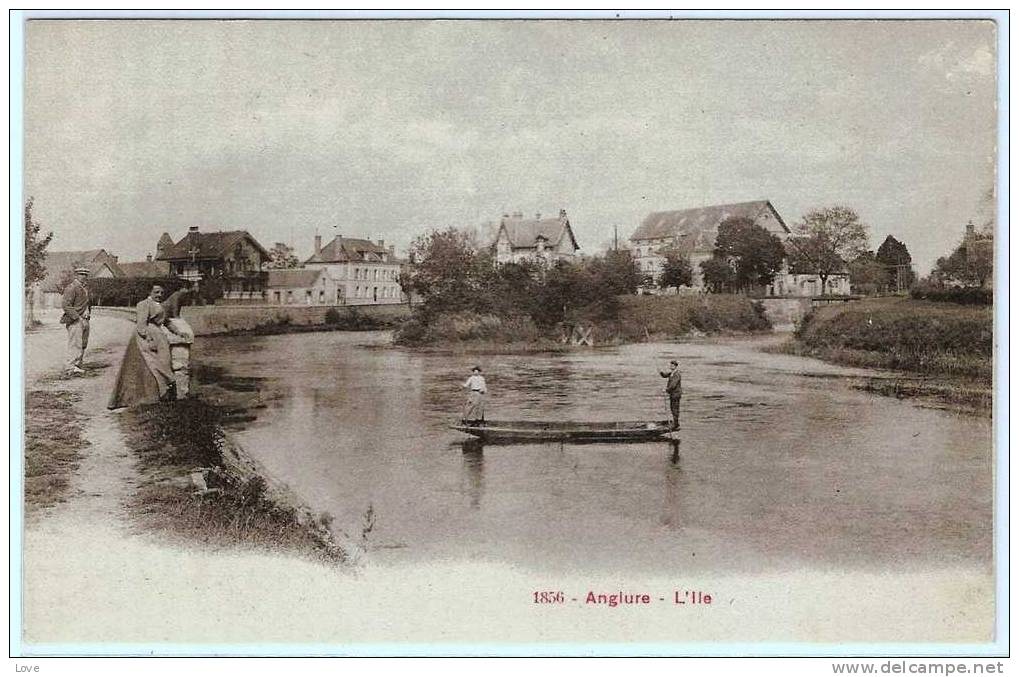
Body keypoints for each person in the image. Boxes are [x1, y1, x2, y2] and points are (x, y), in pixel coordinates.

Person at [60, 266, 92, 375]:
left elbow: (86, 303)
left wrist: (87, 314)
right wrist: (77, 317)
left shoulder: (84, 288)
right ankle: (70, 367)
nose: (83, 277)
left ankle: (77, 365)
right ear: (76, 275)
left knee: (83, 343)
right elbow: (66, 305)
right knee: (74, 344)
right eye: (81, 274)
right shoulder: (71, 287)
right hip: (76, 320)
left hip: (85, 319)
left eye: (85, 275)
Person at [659, 359, 683, 430]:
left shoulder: (677, 374)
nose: (671, 366)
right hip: (673, 394)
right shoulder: (672, 373)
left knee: (675, 409)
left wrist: (666, 390)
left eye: (673, 365)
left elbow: (673, 385)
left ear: (676, 366)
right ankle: (675, 423)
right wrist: (660, 372)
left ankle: (676, 424)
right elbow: (664, 375)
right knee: (673, 408)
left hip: (676, 394)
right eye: (671, 365)